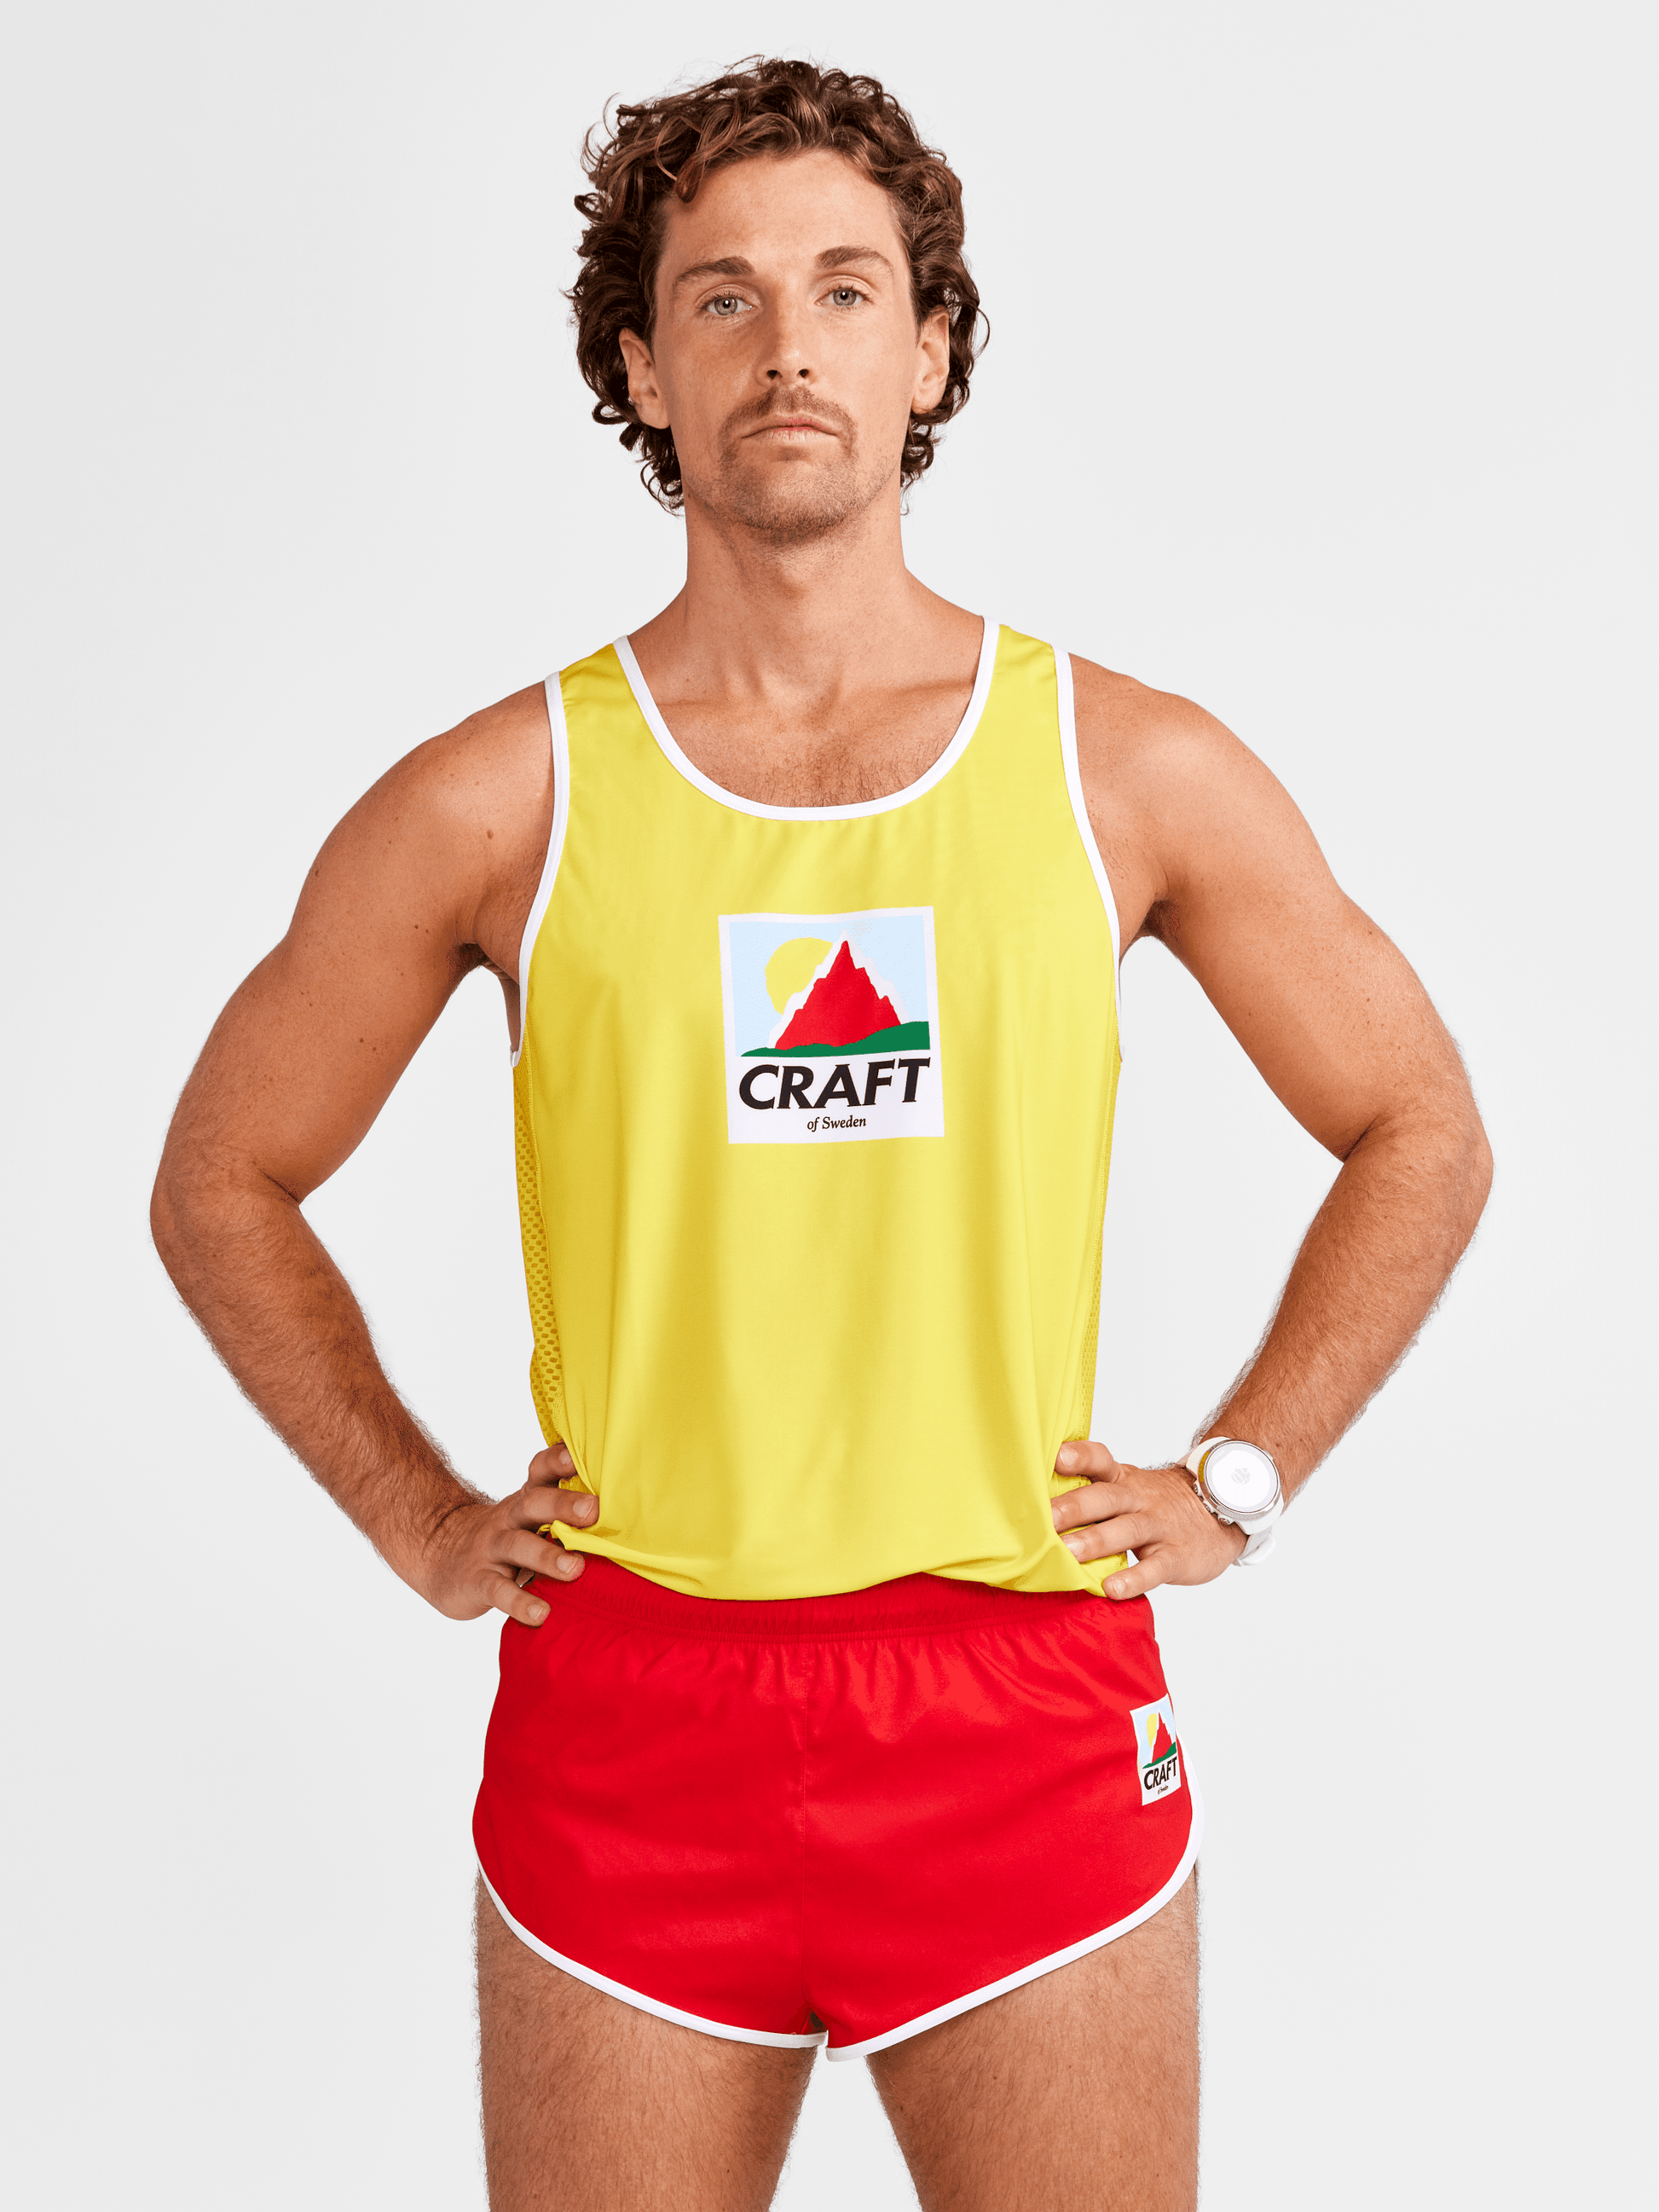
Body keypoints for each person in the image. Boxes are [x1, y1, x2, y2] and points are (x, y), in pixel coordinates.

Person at [151, 56, 1491, 2212]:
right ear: (639, 366)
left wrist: (1240, 1477)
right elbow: (223, 1175)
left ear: (929, 347)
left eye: (848, 292)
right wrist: (418, 1516)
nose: (789, 347)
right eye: (724, 298)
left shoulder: (1122, 767)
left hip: (1015, 1699)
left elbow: (1416, 1121)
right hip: (632, 1721)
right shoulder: (502, 797)